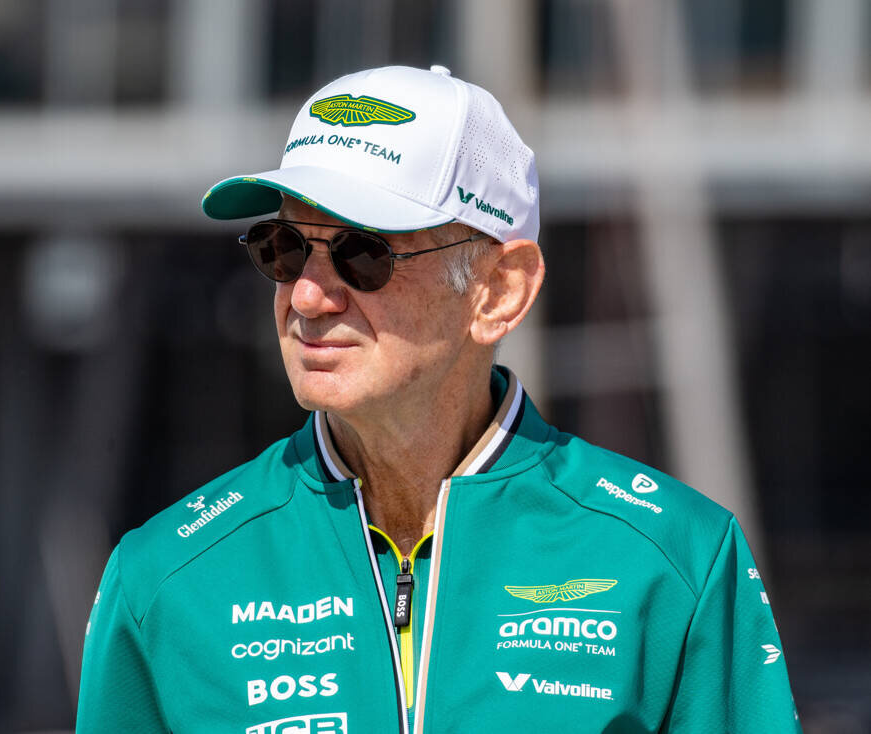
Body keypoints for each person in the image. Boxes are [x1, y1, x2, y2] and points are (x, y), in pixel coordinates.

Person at [77, 65, 800, 733]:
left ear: (499, 292)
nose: (306, 297)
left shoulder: (676, 558)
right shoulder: (163, 579)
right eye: (284, 249)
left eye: (364, 254)